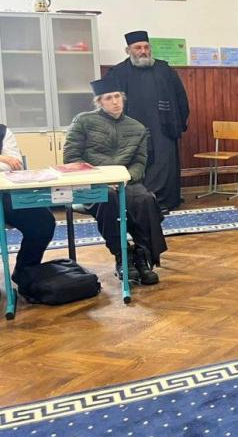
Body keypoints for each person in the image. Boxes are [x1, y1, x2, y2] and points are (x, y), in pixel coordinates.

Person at [64, 78, 168, 285]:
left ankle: (142, 256)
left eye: (117, 97)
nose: (115, 102)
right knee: (109, 198)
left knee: (146, 200)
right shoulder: (83, 121)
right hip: (92, 183)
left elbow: (140, 163)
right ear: (99, 102)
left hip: (126, 182)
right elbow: (71, 158)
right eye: (108, 98)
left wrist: (125, 179)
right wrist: (100, 180)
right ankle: (122, 255)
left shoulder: (137, 127)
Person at [105, 30, 189, 212]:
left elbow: (181, 98)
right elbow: (107, 103)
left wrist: (180, 122)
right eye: (138, 48)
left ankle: (164, 202)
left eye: (146, 47)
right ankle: (138, 203)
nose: (143, 51)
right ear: (128, 50)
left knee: (163, 164)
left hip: (163, 128)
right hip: (130, 131)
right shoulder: (117, 73)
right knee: (137, 164)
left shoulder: (164, 70)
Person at [0, 125, 55, 284]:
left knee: (43, 221)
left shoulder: (3, 131)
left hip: (6, 192)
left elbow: (13, 165)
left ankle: (25, 270)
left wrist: (5, 161)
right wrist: (2, 158)